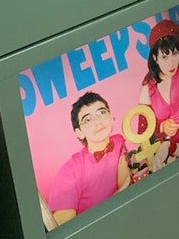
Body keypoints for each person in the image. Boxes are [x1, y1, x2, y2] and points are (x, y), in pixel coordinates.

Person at [47, 92, 130, 225]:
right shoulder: (69, 172)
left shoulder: (119, 141)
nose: (98, 121)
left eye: (102, 113)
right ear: (79, 132)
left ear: (111, 116)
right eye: (88, 119)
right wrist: (120, 192)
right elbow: (66, 231)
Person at [138, 18, 179, 150]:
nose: (171, 63)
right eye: (164, 57)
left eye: (175, 54)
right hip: (168, 150)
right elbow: (142, 131)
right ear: (155, 58)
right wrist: (162, 127)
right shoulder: (148, 87)